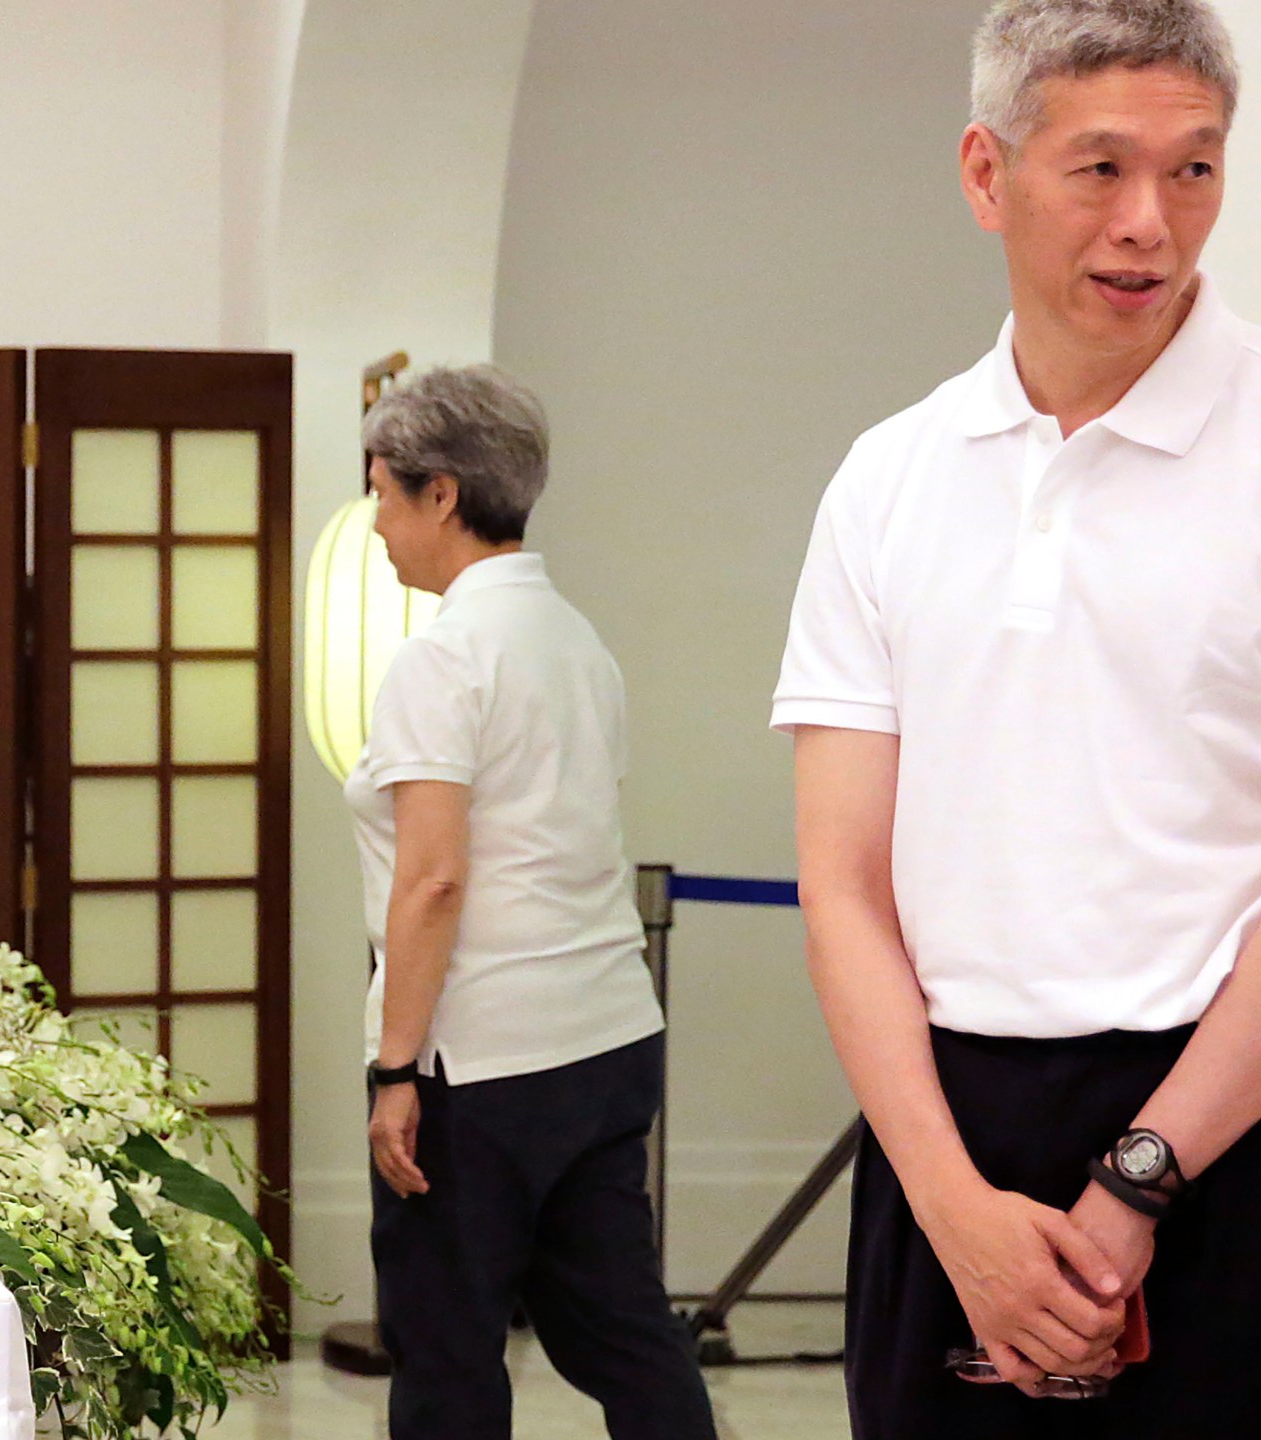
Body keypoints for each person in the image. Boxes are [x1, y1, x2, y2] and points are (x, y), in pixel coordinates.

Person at [772, 2, 1261, 1435]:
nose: (1150, 222)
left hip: (1250, 1134)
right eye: (1099, 169)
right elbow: (841, 881)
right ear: (987, 173)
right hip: (947, 1140)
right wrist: (953, 1206)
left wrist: (1136, 1180)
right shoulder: (890, 478)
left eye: (1194, 170)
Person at [349, 364, 715, 1440]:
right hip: (605, 1040)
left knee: (446, 1353)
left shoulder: (444, 656)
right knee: (623, 1334)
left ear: (441, 495)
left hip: (483, 1068)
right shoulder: (578, 643)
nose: (374, 525)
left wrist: (395, 1069)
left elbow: (434, 879)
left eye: (380, 492)